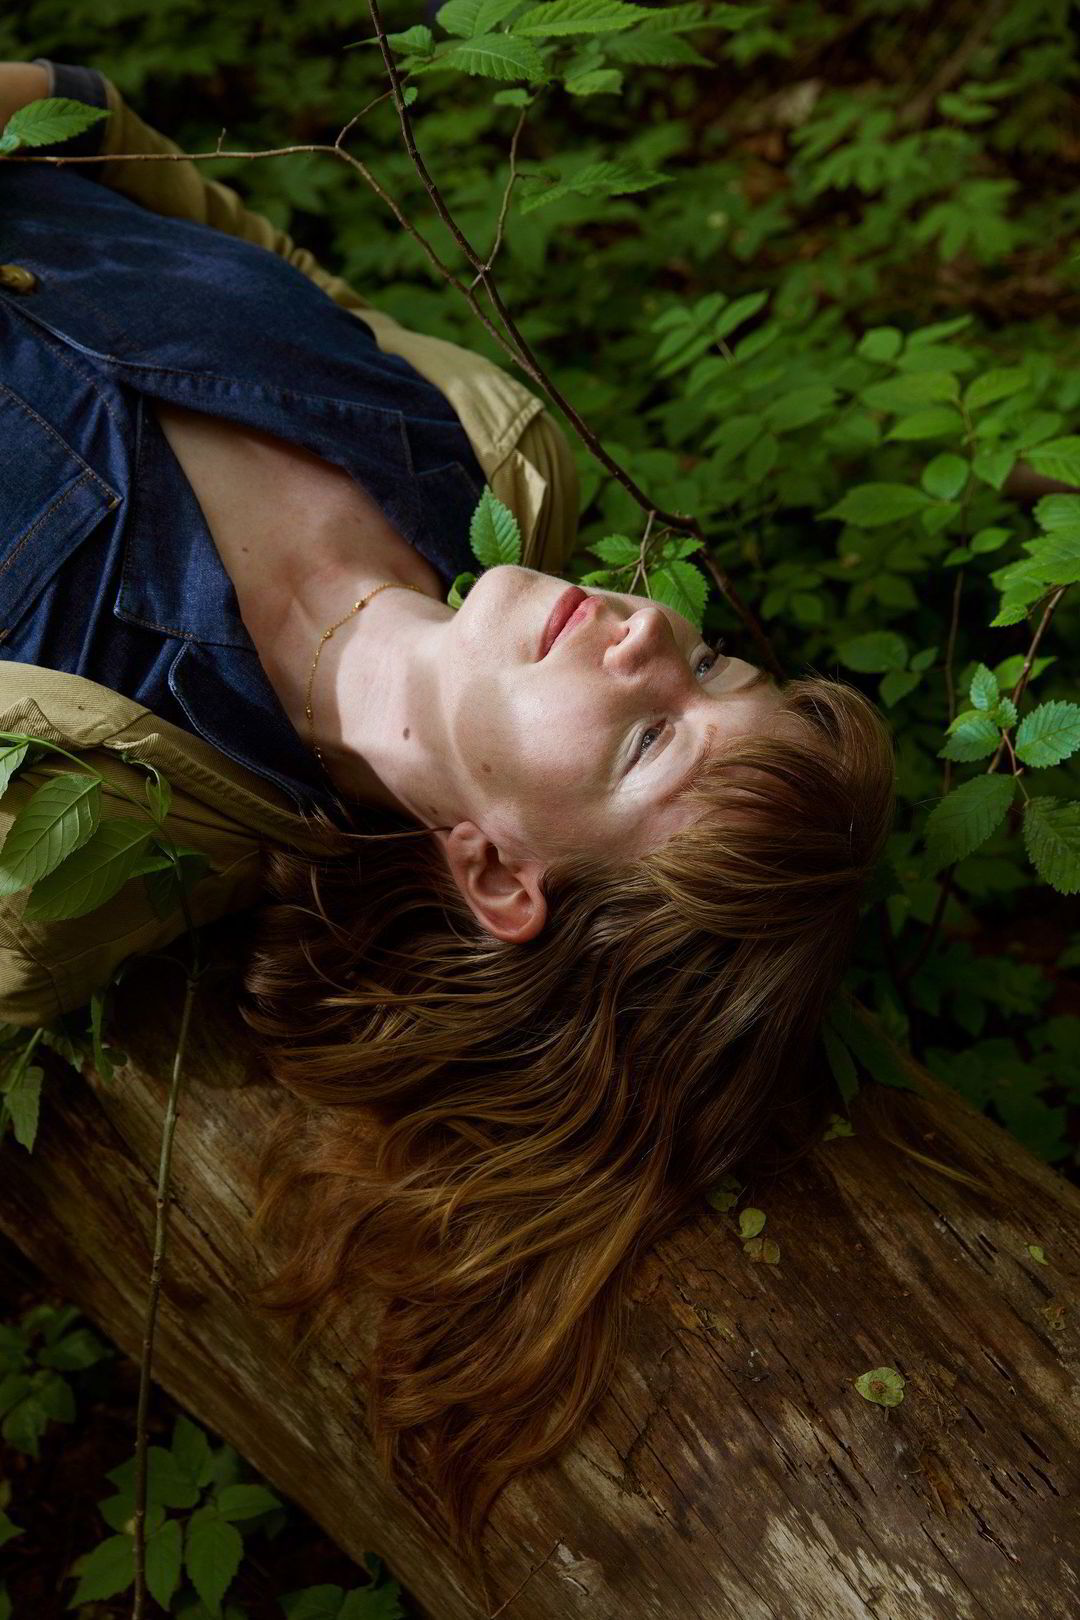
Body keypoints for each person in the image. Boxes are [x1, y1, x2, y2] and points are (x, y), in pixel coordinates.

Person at [0, 59, 898, 1561]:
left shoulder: (71, 833)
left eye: (648, 743)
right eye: (718, 662)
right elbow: (245, 253)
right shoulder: (486, 452)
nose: (654, 635)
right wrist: (55, 97)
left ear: (497, 877)